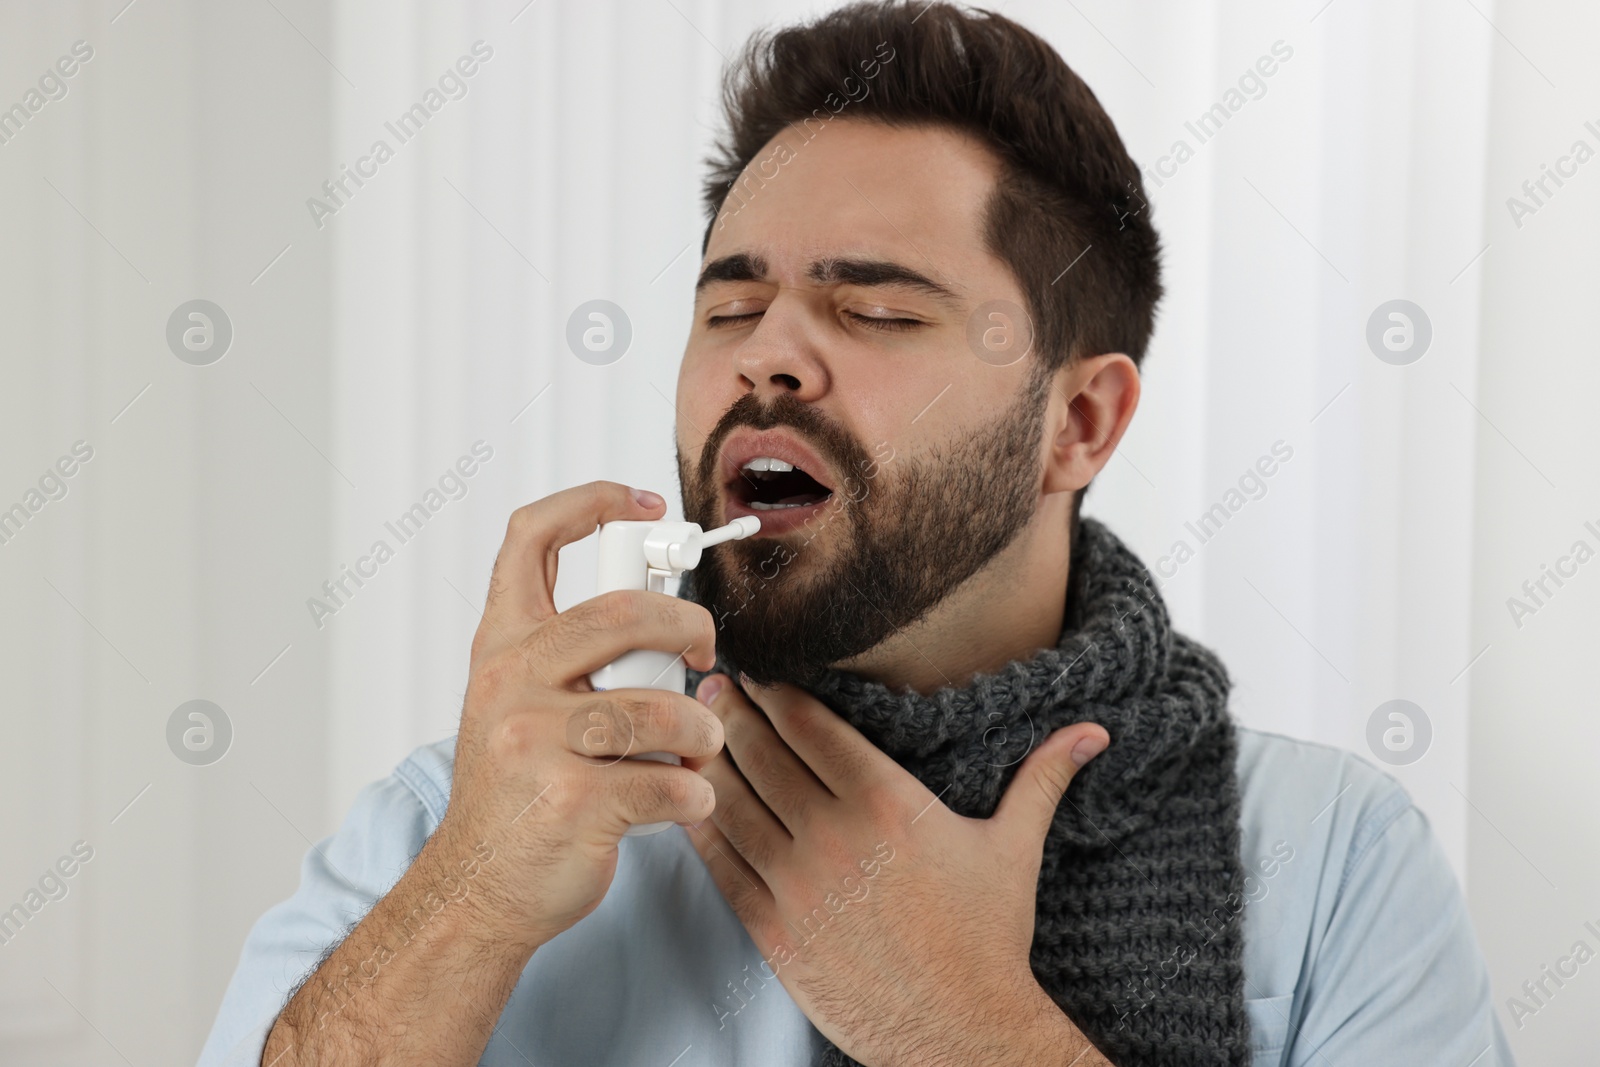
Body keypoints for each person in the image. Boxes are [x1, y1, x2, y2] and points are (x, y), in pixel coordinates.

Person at [200, 3, 1512, 1065]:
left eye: (875, 312)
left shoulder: (1327, 858)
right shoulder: (473, 815)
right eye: (731, 306)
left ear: (1081, 422)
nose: (766, 360)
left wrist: (982, 1043)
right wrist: (472, 899)